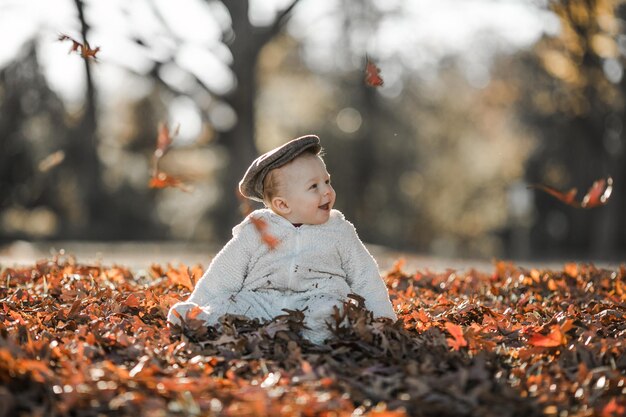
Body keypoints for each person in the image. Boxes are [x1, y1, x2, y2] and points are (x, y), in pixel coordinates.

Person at [167, 134, 397, 343]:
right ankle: (197, 318)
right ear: (282, 204)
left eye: (327, 181)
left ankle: (316, 335)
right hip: (261, 301)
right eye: (313, 186)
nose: (327, 191)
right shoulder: (257, 229)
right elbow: (224, 272)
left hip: (315, 298)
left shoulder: (339, 231)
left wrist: (382, 315)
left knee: (330, 312)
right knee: (227, 306)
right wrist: (199, 303)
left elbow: (365, 274)